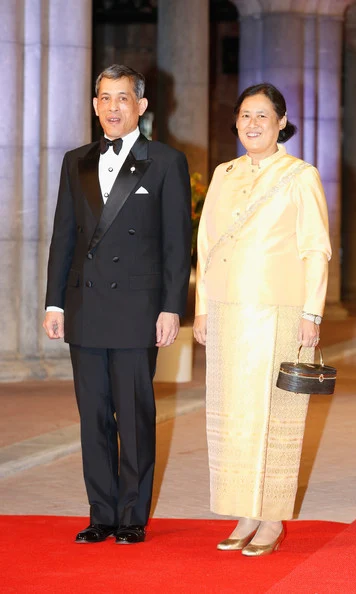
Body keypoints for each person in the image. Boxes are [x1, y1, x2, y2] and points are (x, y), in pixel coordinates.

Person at [43, 64, 191, 544]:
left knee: (133, 414)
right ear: (94, 105)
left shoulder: (166, 161)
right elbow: (63, 235)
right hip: (84, 307)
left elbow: (176, 243)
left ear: (141, 106)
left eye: (122, 98)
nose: (112, 107)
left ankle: (131, 516)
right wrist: (54, 303)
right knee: (93, 416)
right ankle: (101, 513)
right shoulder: (76, 160)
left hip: (136, 309)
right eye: (104, 98)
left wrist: (171, 307)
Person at [193, 83, 331, 557]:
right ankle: (243, 510)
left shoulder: (299, 175)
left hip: (280, 312)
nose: (252, 124)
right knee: (233, 414)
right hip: (229, 312)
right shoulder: (223, 173)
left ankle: (271, 518)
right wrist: (203, 309)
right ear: (235, 122)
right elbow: (206, 247)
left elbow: (316, 249)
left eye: (263, 117)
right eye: (245, 116)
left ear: (281, 122)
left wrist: (312, 314)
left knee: (275, 416)